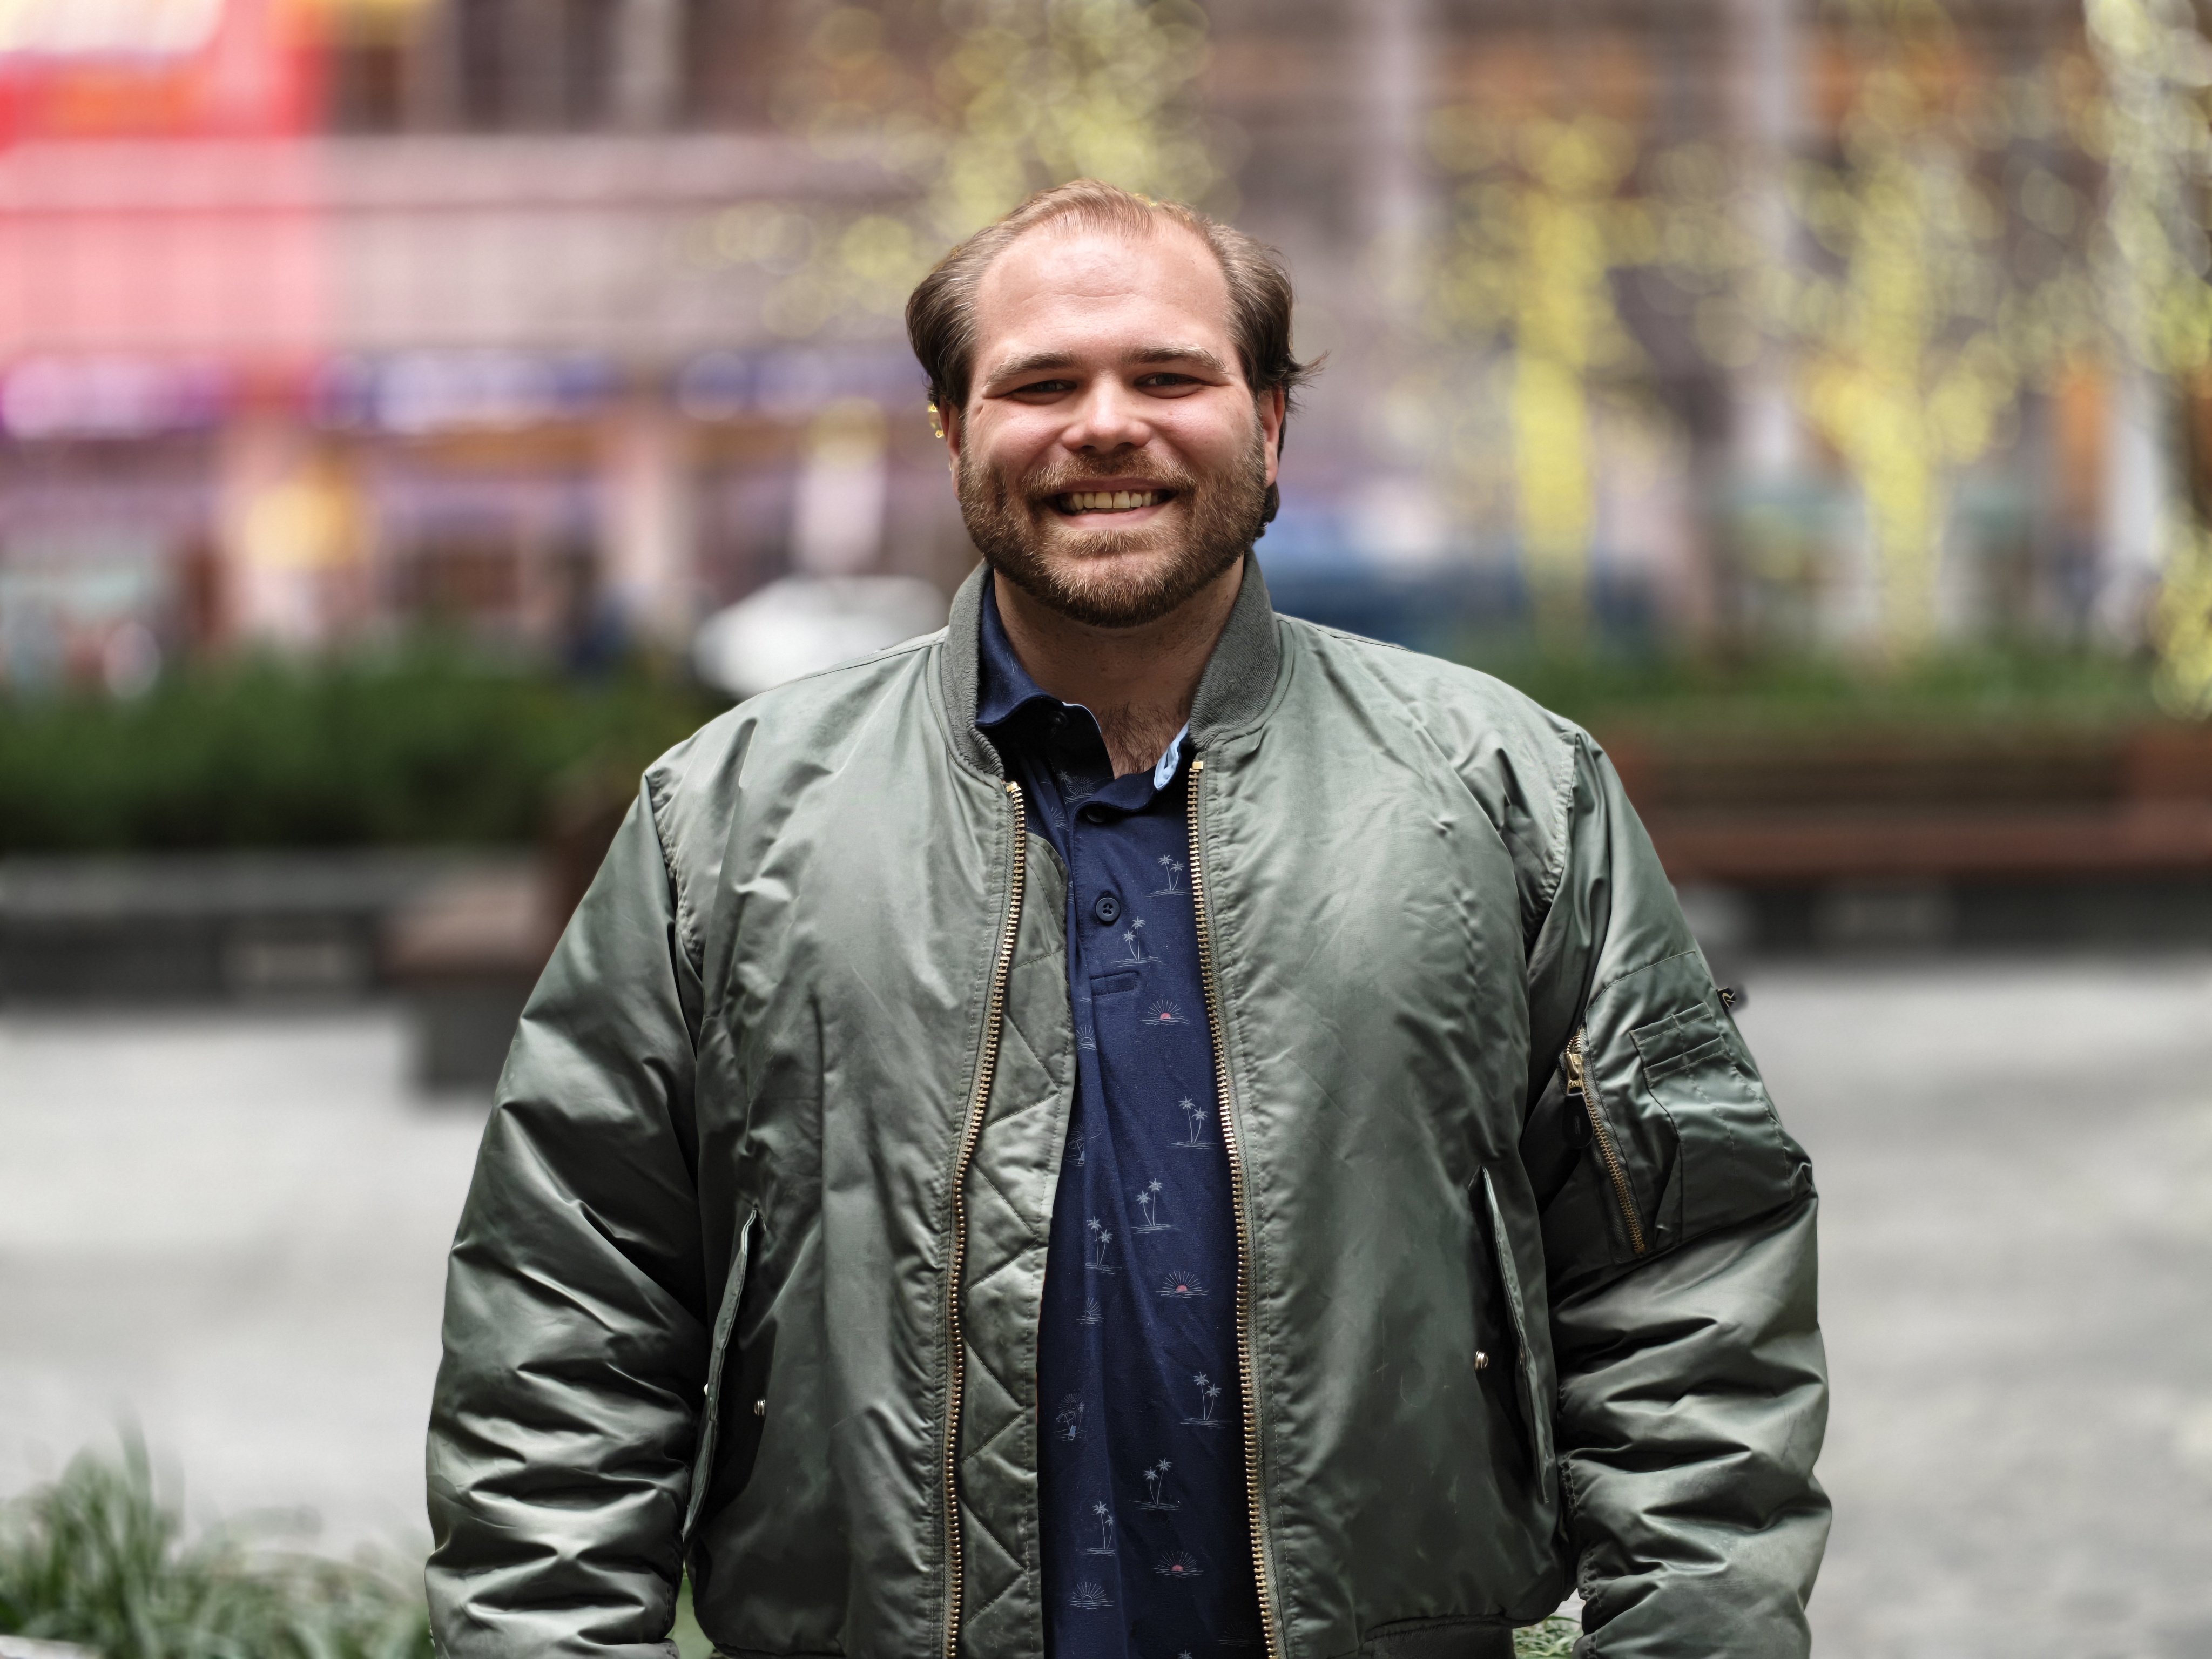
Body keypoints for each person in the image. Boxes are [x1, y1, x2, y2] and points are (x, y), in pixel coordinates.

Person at [426, 180, 1829, 1659]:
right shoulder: (724, 823)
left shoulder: (1509, 795)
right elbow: (563, 1319)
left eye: (1169, 375)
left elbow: (1689, 1292)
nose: (1105, 424)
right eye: (1040, 382)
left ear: (1271, 424)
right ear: (954, 430)